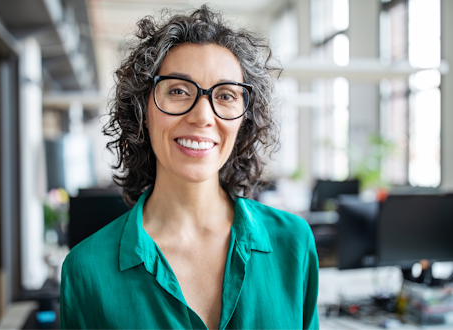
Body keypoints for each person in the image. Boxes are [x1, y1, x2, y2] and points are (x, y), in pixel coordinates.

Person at [60, 5, 319, 330]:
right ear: (143, 111)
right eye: (179, 91)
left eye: (225, 95)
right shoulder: (87, 271)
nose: (202, 116)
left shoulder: (293, 245)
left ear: (244, 121)